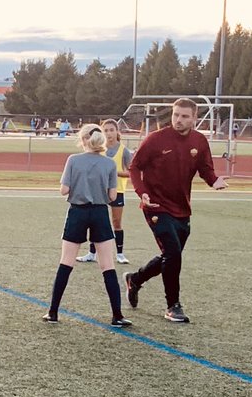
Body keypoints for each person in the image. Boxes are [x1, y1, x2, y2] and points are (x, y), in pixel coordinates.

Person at [125, 98, 228, 323]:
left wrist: (214, 181)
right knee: (173, 253)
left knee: (171, 256)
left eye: (184, 116)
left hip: (182, 208)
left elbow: (205, 169)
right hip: (155, 206)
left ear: (194, 119)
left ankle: (135, 279)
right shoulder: (155, 139)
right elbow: (134, 167)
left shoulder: (199, 141)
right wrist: (141, 191)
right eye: (175, 115)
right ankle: (173, 306)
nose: (178, 120)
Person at [42, 123, 131, 327]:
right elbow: (112, 195)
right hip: (100, 213)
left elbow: (64, 190)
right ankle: (117, 315)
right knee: (108, 265)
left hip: (77, 213)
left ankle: (53, 312)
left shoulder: (73, 160)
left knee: (66, 262)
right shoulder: (109, 164)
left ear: (83, 140)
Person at [78, 117, 132, 265]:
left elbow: (131, 172)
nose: (108, 133)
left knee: (116, 222)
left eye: (111, 130)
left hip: (117, 190)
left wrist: (114, 173)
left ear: (117, 132)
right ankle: (92, 253)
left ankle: (120, 254)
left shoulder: (124, 151)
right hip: (99, 191)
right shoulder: (99, 149)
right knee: (95, 221)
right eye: (105, 130)